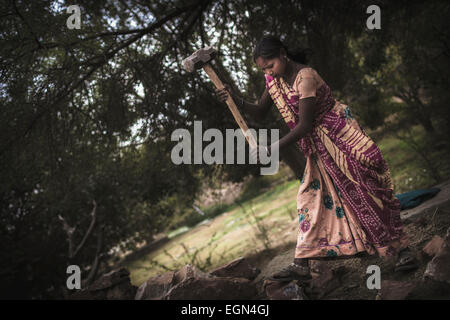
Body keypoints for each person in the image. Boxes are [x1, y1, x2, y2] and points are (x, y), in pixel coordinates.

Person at [215, 35, 418, 282]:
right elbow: (259, 111)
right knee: (310, 198)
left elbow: (304, 125)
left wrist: (271, 148)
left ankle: (404, 251)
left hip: (340, 138)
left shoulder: (306, 77)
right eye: (264, 69)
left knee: (367, 193)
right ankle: (302, 263)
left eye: (270, 65)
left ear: (282, 54)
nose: (269, 71)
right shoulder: (273, 80)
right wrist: (233, 99)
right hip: (318, 147)